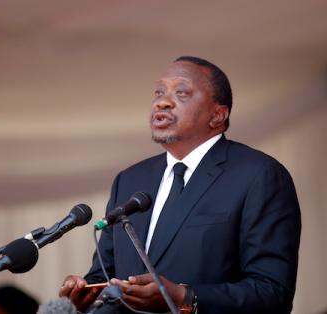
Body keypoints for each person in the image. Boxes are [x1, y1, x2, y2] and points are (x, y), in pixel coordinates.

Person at [59, 56, 301, 314]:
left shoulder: (258, 174)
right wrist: (85, 294)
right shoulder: (129, 180)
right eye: (158, 92)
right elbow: (106, 274)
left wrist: (185, 297)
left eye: (182, 93)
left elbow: (272, 292)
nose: (161, 102)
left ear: (218, 115)